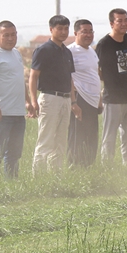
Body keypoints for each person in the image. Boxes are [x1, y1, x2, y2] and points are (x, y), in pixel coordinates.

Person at [0, 21, 36, 177]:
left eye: (13, 34)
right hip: (2, 112)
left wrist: (27, 101)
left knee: (14, 153)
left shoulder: (16, 53)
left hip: (18, 112)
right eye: (6, 35)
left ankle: (11, 184)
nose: (11, 38)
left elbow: (20, 80)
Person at [29, 15, 81, 173]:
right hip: (49, 98)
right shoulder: (43, 50)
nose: (63, 32)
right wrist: (33, 101)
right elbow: (33, 76)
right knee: (45, 140)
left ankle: (55, 177)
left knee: (60, 141)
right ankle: (38, 178)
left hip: (65, 99)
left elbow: (70, 79)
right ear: (51, 29)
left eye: (66, 28)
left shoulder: (67, 52)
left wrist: (73, 102)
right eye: (60, 28)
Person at [96, 8, 127, 164]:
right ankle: (107, 168)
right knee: (110, 137)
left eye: (126, 20)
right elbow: (97, 70)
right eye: (119, 21)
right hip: (112, 99)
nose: (123, 24)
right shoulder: (104, 44)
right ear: (111, 23)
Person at [67, 19, 103, 167]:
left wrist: (99, 99)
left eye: (90, 31)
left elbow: (95, 76)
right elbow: (67, 76)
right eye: (84, 32)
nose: (88, 35)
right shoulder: (70, 51)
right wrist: (73, 102)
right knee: (77, 138)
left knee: (91, 138)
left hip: (93, 101)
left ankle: (88, 169)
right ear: (75, 33)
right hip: (80, 99)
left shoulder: (92, 52)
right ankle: (74, 169)